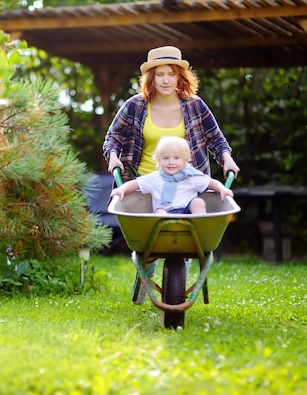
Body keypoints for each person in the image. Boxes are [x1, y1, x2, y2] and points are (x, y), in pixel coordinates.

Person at [102, 45, 240, 304]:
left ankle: (177, 280)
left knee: (185, 241)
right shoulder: (135, 106)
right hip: (146, 185)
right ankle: (146, 279)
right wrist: (113, 157)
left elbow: (216, 139)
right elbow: (113, 138)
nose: (165, 80)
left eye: (171, 74)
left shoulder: (194, 105)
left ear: (180, 76)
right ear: (150, 77)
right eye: (159, 74)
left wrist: (227, 158)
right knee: (149, 246)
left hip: (187, 183)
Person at [110, 137, 233, 214]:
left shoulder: (191, 176)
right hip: (165, 215)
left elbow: (211, 183)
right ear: (158, 160)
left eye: (176, 158)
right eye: (166, 158)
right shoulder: (155, 178)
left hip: (188, 215)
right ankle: (161, 236)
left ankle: (200, 229)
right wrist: (121, 189)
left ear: (185, 160)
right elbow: (135, 184)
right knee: (159, 212)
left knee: (198, 202)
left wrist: (222, 189)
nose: (171, 162)